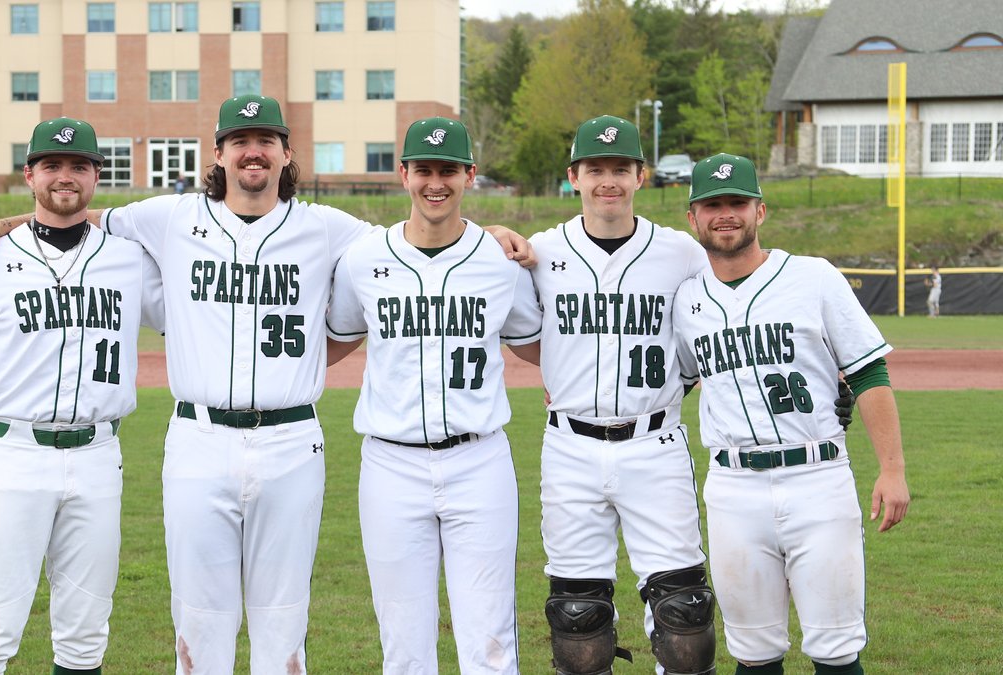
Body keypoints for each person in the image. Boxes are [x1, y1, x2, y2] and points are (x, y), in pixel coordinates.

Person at [0, 95, 532, 675]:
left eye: (266, 141)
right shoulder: (171, 217)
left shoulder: (329, 229)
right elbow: (74, 214)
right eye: (240, 141)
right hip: (199, 438)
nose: (253, 152)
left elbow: (419, 236)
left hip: (290, 440)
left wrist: (493, 233)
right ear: (220, 152)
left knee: (283, 626)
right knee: (200, 622)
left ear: (284, 153)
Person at [0, 117, 162, 675]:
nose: (64, 177)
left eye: (78, 167)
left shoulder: (131, 261)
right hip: (12, 456)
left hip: (98, 459)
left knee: (86, 636)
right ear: (29, 174)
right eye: (52, 166)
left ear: (97, 176)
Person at [672, 153, 910, 675]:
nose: (725, 214)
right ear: (693, 218)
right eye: (712, 205)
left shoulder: (813, 277)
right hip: (734, 489)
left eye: (737, 202)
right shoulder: (685, 300)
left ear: (761, 210)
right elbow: (680, 381)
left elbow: (868, 373)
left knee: (835, 646)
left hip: (817, 478)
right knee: (753, 652)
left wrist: (891, 470)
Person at [325, 118, 542, 674]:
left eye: (449, 170)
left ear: (470, 175)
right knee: (404, 643)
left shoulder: (501, 261)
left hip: (479, 460)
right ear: (403, 175)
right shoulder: (364, 260)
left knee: (490, 640)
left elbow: (536, 346)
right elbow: (333, 342)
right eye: (424, 169)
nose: (435, 182)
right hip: (390, 464)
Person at [524, 115, 718, 675]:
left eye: (620, 169)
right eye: (595, 169)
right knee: (578, 617)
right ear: (574, 177)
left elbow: (734, 309)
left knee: (684, 614)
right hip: (570, 446)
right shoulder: (540, 251)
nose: (607, 180)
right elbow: (516, 331)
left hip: (654, 441)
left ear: (641, 176)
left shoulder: (682, 253)